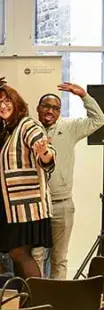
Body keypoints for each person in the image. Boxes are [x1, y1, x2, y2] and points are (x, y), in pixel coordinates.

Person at [31, 83, 104, 279]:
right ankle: (37, 302)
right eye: (46, 106)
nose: (50, 111)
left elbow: (99, 119)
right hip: (36, 206)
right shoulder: (29, 129)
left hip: (62, 205)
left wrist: (84, 96)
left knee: (59, 259)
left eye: (55, 108)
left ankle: (56, 305)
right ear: (38, 109)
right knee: (36, 256)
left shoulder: (69, 128)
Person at [0, 85, 56, 280]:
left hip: (26, 205)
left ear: (17, 103)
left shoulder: (28, 125)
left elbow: (47, 156)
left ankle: (37, 302)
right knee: (16, 254)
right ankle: (26, 304)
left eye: (7, 101)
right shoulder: (9, 130)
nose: (2, 106)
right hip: (11, 206)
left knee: (18, 253)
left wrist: (44, 153)